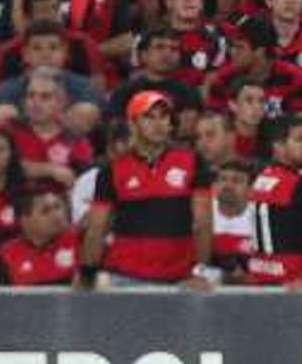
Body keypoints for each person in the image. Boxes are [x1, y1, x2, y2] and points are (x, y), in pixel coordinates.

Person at [79, 90, 214, 288]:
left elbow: (203, 223)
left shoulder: (193, 162)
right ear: (133, 124)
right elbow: (96, 229)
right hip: (125, 276)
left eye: (164, 116)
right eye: (148, 117)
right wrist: (87, 273)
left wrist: (200, 272)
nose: (158, 124)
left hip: (179, 278)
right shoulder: (112, 170)